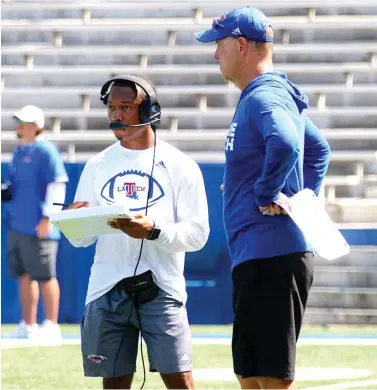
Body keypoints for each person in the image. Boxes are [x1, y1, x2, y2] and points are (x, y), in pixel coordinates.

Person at [196, 7, 331, 390]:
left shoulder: (265, 95)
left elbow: (289, 143)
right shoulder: (264, 94)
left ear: (241, 45)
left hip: (272, 253)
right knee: (250, 374)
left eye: (219, 45)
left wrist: (268, 192)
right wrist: (302, 195)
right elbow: (318, 149)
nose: (214, 54)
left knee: (268, 377)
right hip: (259, 254)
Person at [66, 75, 210, 390]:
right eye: (112, 107)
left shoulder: (181, 166)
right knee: (114, 383)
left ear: (149, 112)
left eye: (126, 107)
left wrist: (153, 231)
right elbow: (81, 240)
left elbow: (198, 234)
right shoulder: (97, 165)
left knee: (180, 380)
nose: (116, 115)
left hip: (162, 288)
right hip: (106, 288)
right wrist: (74, 222)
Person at [4, 105, 68, 341]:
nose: (19, 126)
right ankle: (28, 325)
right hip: (17, 224)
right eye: (18, 121)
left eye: (24, 122)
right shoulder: (19, 152)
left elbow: (57, 184)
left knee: (45, 275)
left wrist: (48, 218)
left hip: (39, 226)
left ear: (36, 126)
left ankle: (51, 325)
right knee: (23, 274)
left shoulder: (46, 151)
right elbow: (12, 187)